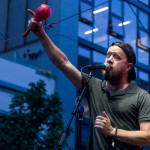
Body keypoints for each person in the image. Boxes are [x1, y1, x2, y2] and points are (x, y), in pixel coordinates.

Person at [27, 9, 150, 150]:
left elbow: (148, 136)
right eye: (108, 55)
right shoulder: (93, 86)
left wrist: (112, 131)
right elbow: (63, 62)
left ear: (128, 67)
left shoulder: (141, 97)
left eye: (116, 57)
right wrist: (41, 34)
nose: (109, 59)